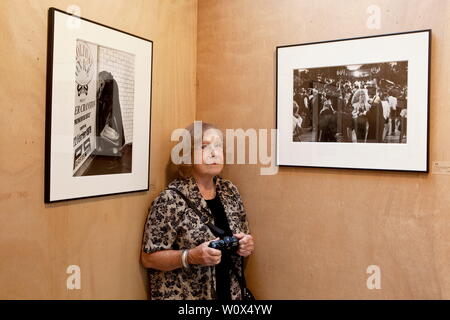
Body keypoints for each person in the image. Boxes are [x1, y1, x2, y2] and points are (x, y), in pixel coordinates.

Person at [141, 122, 255, 300]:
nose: (214, 153)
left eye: (218, 146)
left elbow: (243, 235)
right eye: (204, 146)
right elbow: (149, 258)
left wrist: (245, 244)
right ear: (186, 155)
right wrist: (190, 256)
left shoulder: (230, 191)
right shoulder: (171, 200)